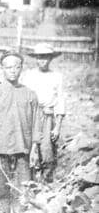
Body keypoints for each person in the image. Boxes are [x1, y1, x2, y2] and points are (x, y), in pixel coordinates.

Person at [0, 52, 40, 213]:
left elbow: (36, 122)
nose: (13, 71)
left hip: (22, 147)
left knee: (24, 188)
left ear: (21, 68)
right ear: (2, 69)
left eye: (16, 67)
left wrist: (34, 147)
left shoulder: (30, 94)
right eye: (8, 67)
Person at [21, 43, 65, 183]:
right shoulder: (29, 75)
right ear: (36, 59)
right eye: (40, 58)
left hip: (47, 116)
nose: (43, 61)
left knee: (47, 148)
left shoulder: (56, 76)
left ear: (51, 59)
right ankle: (30, 181)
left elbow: (60, 101)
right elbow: (24, 97)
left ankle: (46, 182)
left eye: (46, 58)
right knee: (29, 146)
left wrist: (57, 126)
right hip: (31, 115)